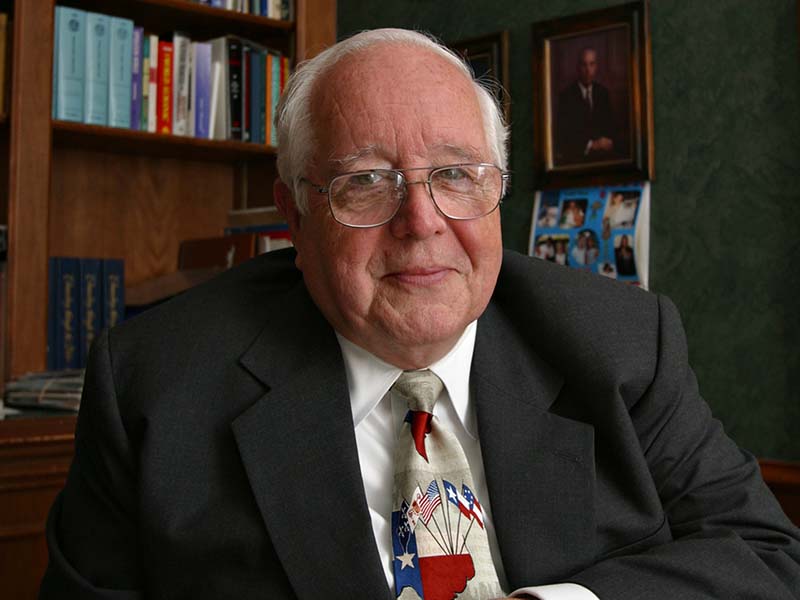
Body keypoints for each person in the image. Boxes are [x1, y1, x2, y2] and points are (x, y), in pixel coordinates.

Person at [40, 28, 800, 600]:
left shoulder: (621, 342)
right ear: (295, 217)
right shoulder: (155, 384)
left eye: (456, 175)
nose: (422, 221)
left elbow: (768, 557)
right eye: (367, 182)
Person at [555, 47, 617, 164]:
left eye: (592, 64)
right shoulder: (566, 96)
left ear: (596, 67)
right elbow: (564, 136)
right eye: (584, 65)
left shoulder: (603, 93)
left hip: (604, 159)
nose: (588, 70)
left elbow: (611, 128)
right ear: (578, 67)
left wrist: (608, 142)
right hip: (577, 160)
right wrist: (592, 145)